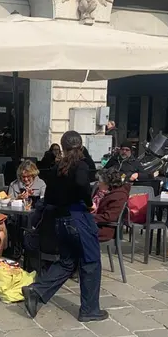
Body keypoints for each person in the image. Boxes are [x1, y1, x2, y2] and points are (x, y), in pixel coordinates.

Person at [21, 130, 107, 323]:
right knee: (91, 262)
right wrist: (88, 201)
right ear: (80, 145)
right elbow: (82, 183)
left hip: (61, 221)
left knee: (67, 262)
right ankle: (90, 310)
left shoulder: (57, 168)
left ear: (63, 146)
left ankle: (37, 291)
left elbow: (49, 197)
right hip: (78, 218)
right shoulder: (81, 166)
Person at [91, 168, 130, 242]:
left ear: (108, 183)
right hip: (95, 223)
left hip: (105, 228)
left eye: (100, 182)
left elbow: (109, 217)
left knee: (72, 231)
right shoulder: (101, 192)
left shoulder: (119, 196)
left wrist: (88, 217)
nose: (98, 184)